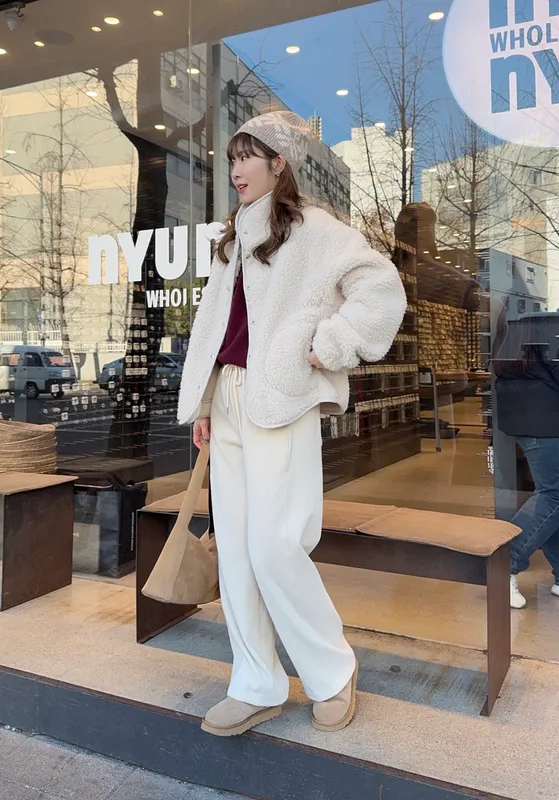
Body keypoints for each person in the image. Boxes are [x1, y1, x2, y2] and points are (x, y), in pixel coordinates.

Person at [177, 111, 406, 737]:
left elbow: (382, 291)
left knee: (275, 545)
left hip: (280, 397)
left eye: (247, 157)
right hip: (229, 399)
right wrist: (204, 401)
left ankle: (331, 671)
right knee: (236, 552)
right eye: (232, 159)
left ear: (279, 163)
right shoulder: (234, 236)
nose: (235, 170)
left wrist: (330, 345)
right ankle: (255, 682)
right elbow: (216, 328)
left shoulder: (316, 229)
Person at [493, 310, 559, 609]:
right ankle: (503, 565)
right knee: (554, 495)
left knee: (554, 497)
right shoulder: (553, 329)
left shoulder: (513, 327)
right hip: (549, 424)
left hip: (527, 422)